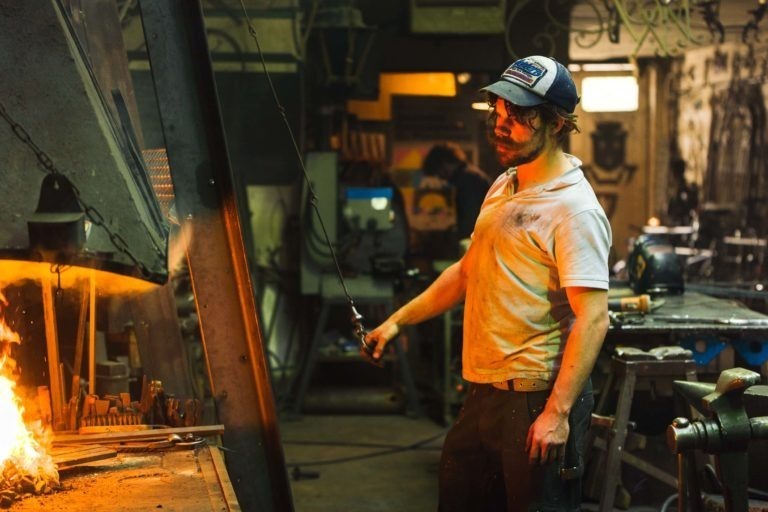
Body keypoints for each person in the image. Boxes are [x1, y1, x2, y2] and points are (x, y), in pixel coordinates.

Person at [365, 55, 612, 511]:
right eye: (499, 113)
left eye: (519, 117)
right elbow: (465, 271)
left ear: (557, 123)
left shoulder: (573, 209)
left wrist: (557, 413)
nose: (501, 126)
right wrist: (397, 322)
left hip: (536, 397)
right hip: (483, 391)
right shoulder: (504, 185)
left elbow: (594, 317)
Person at [421, 143, 492, 241]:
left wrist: (449, 238)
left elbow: (469, 222)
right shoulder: (469, 176)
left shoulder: (468, 180)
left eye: (439, 173)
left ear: (444, 165)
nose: (441, 178)